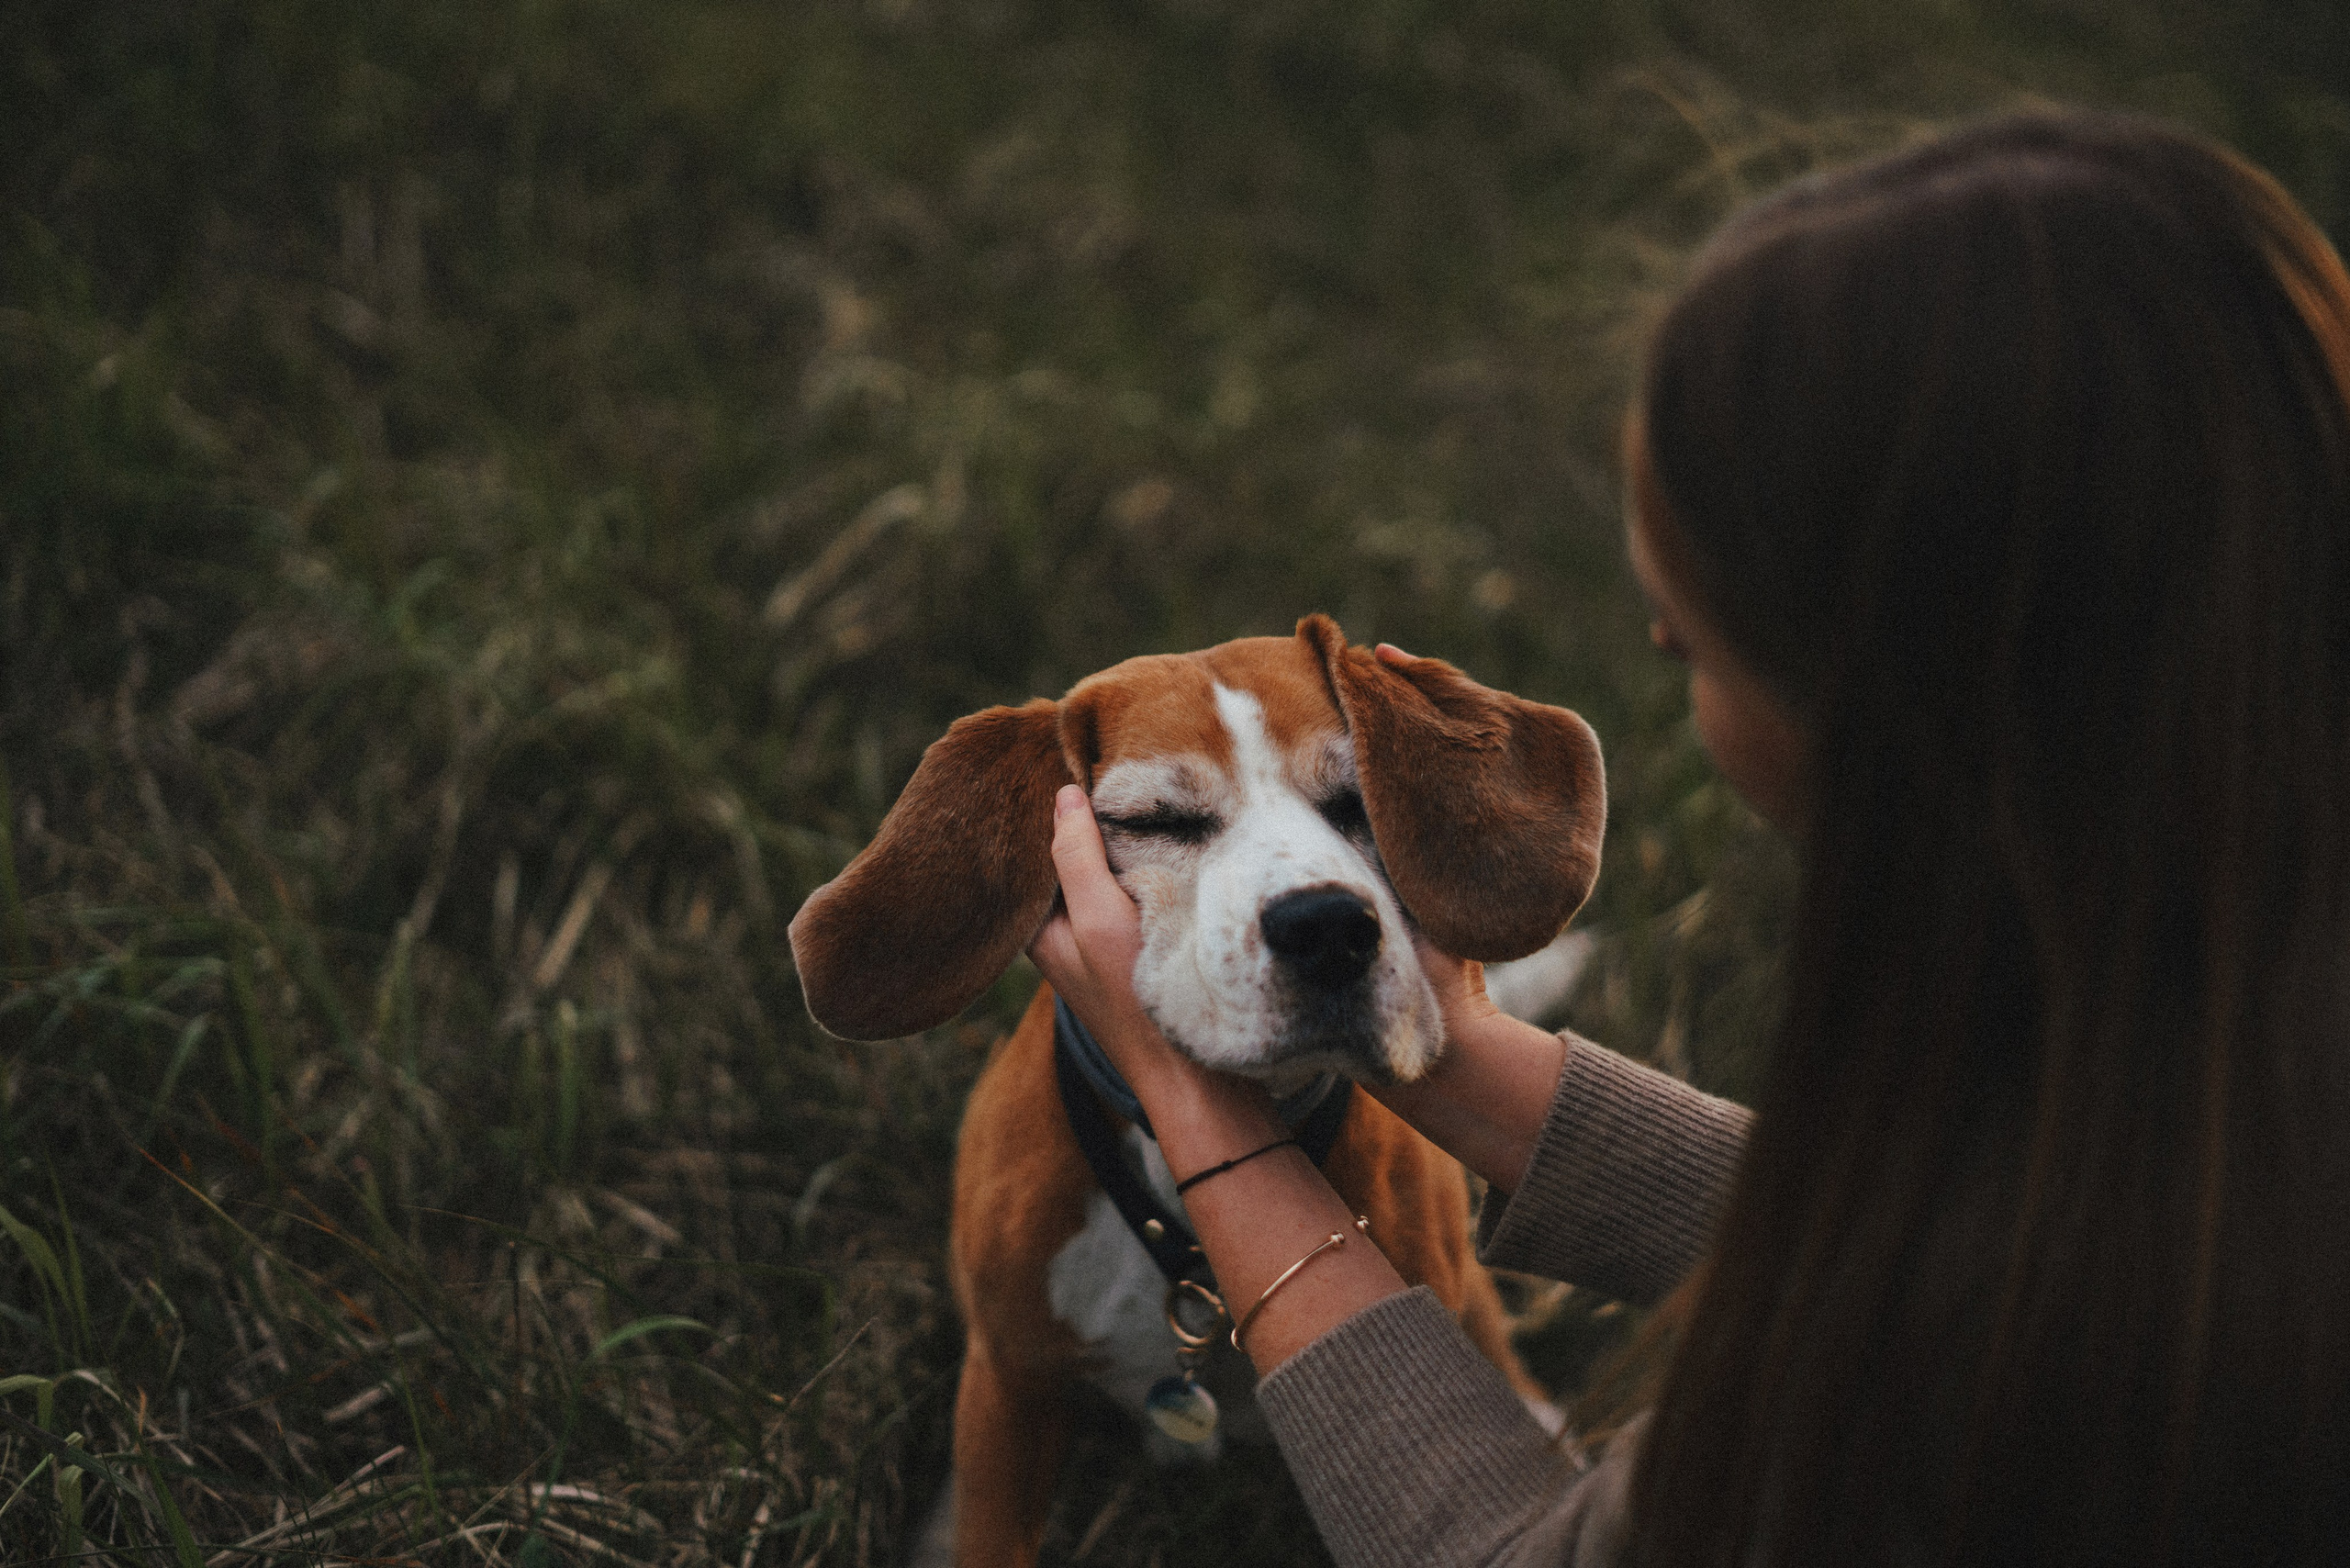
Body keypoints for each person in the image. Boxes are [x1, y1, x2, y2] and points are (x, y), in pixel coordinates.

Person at [1027, 108, 2350, 1566]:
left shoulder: (1928, 1411)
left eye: (1700, 639)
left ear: (1930, 705)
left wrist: (1198, 1121)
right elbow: (1997, 1240)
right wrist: (1440, 1036)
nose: (1655, 632)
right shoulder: (2230, 1033)